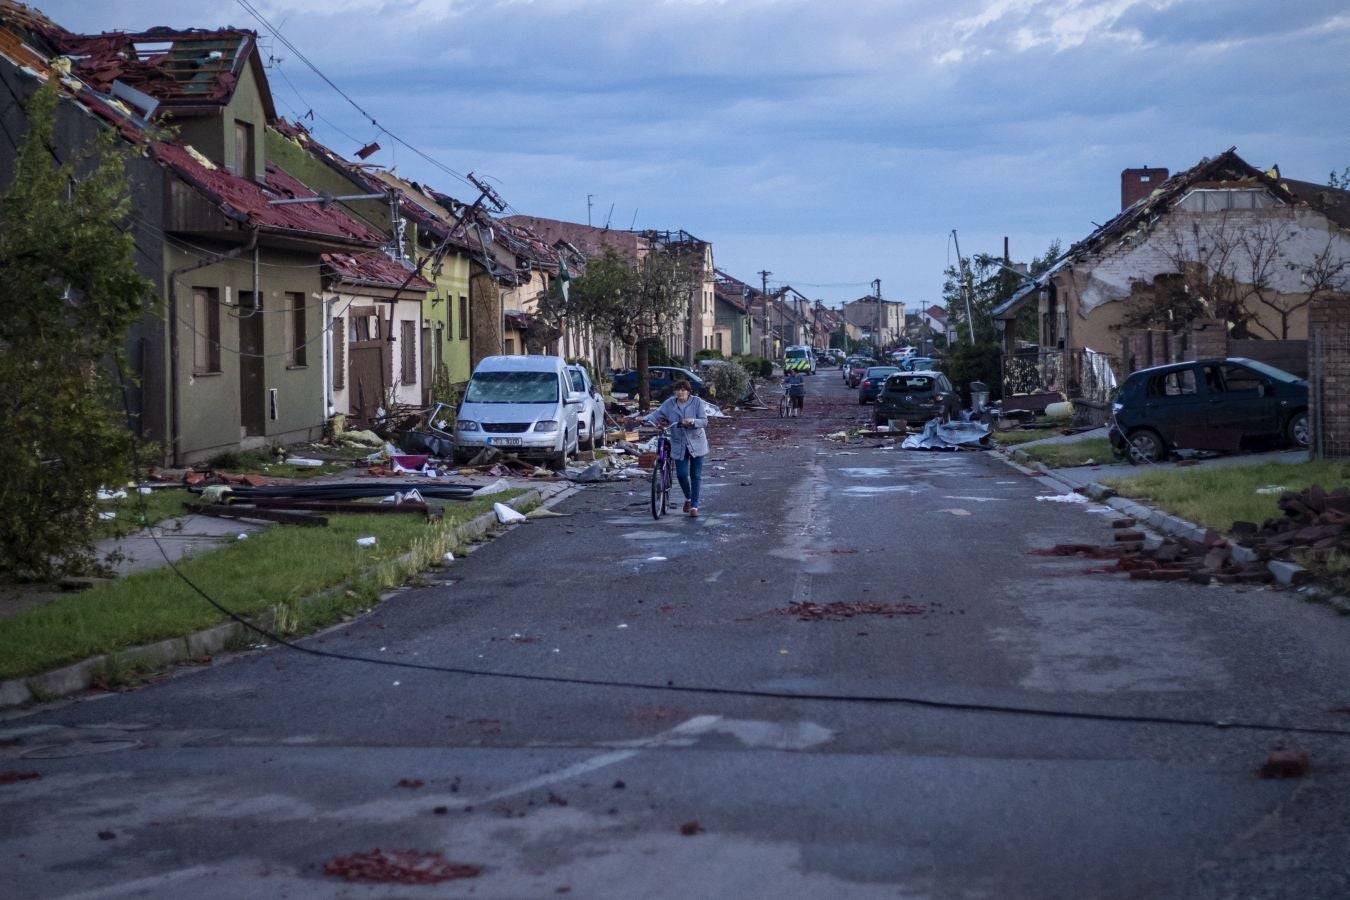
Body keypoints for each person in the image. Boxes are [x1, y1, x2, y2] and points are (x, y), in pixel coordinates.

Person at [633, 380, 713, 517]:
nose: (680, 392)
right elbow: (657, 414)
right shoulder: (670, 403)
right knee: (681, 474)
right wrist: (644, 419)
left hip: (697, 443)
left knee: (696, 475)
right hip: (678, 443)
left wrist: (692, 421)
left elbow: (704, 421)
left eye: (683, 390)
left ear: (688, 391)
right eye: (678, 390)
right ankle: (688, 498)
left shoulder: (697, 402)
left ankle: (694, 506)